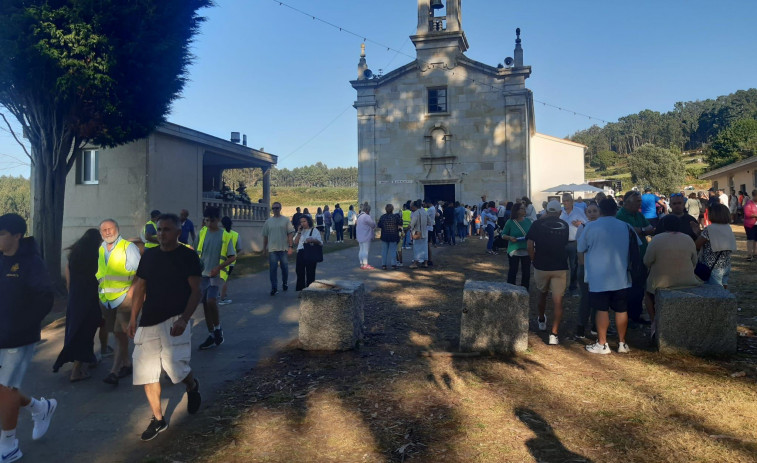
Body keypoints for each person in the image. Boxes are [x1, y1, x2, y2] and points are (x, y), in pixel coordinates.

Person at [127, 213, 203, 441]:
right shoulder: (149, 256)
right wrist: (133, 318)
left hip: (175, 319)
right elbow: (140, 287)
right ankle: (158, 419)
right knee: (146, 371)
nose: (161, 234)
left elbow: (196, 292)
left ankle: (192, 385)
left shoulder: (187, 257)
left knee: (177, 371)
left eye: (167, 230)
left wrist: (184, 319)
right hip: (149, 320)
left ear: (178, 233)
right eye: (159, 229)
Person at [0, 214, 57, 461]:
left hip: (18, 337)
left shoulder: (31, 262)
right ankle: (40, 407)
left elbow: (45, 298)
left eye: (1, 233)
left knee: (6, 389)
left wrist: (20, 326)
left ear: (17, 236)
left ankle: (9, 444)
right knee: (3, 389)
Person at [579, 199, 637, 354]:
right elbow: (636, 246)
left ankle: (602, 343)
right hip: (621, 275)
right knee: (621, 309)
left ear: (600, 211)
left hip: (598, 276)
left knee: (601, 309)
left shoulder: (590, 227)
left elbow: (581, 247)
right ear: (616, 210)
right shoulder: (626, 226)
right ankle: (622, 343)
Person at [53, 228, 102, 382]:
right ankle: (77, 371)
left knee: (75, 329)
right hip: (89, 298)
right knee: (86, 331)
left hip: (75, 297)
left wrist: (70, 289)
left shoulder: (74, 254)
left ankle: (88, 360)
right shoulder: (94, 256)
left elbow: (68, 275)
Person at [97, 218, 141, 385]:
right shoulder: (102, 248)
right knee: (118, 334)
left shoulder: (128, 248)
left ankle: (114, 371)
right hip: (107, 299)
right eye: (104, 230)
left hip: (124, 299)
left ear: (118, 229)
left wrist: (131, 293)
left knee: (122, 332)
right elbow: (102, 273)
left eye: (110, 228)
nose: (107, 232)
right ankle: (127, 363)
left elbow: (140, 273)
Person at [644, 215, 700, 337]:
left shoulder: (656, 239)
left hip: (660, 282)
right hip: (687, 280)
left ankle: (654, 321)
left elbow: (647, 261)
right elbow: (694, 261)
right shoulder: (688, 239)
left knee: (647, 293)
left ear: (663, 226)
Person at [526, 200, 569, 345]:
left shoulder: (537, 224)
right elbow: (563, 243)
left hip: (542, 265)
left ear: (546, 211)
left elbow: (530, 244)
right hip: (560, 265)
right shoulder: (565, 225)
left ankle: (541, 319)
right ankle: (554, 334)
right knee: (558, 301)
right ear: (559, 212)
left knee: (542, 293)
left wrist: (533, 259)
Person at [195, 206, 236, 350]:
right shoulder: (202, 233)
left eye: (211, 220)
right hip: (203, 274)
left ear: (218, 220)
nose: (208, 223)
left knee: (211, 300)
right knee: (205, 304)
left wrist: (218, 268)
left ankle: (218, 328)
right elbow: (196, 252)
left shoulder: (224, 235)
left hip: (216, 275)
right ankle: (212, 334)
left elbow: (232, 257)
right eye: (206, 220)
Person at [616, 191, 654, 326]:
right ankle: (629, 316)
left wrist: (641, 230)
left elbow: (650, 228)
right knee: (630, 288)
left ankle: (636, 315)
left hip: (642, 256)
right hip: (628, 258)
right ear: (627, 202)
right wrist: (643, 231)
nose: (640, 203)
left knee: (639, 288)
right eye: (637, 201)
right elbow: (631, 231)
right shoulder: (620, 216)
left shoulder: (638, 214)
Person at [696, 204, 737, 289]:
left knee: (715, 293)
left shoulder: (710, 229)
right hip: (726, 264)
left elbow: (697, 244)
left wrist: (696, 232)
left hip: (713, 266)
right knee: (724, 288)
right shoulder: (728, 227)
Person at [575, 201, 599, 338]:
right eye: (589, 211)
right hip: (586, 265)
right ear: (586, 213)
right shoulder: (583, 227)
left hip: (599, 267)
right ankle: (581, 326)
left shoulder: (602, 227)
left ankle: (596, 325)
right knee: (586, 298)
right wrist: (583, 265)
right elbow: (579, 248)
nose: (592, 214)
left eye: (594, 211)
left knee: (598, 297)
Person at [262, 201, 295, 296]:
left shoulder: (285, 220)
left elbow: (290, 234)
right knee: (273, 269)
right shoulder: (268, 222)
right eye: (274, 208)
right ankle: (274, 287)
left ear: (280, 209)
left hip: (283, 248)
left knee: (284, 268)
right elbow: (265, 236)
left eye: (277, 208)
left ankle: (285, 283)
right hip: (272, 249)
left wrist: (290, 246)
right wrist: (264, 249)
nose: (275, 210)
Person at [559, 193, 587, 295]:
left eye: (567, 200)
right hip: (561, 242)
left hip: (574, 242)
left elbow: (586, 223)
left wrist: (580, 224)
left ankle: (573, 287)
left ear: (572, 201)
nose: (565, 202)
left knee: (574, 266)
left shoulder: (579, 211)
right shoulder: (560, 212)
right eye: (564, 200)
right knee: (561, 266)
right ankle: (560, 288)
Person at [501, 202, 532, 289]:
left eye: (524, 208)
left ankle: (525, 290)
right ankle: (510, 290)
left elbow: (532, 233)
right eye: (522, 208)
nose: (524, 210)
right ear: (517, 211)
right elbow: (503, 235)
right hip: (514, 250)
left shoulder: (528, 221)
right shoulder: (510, 222)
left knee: (526, 272)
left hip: (526, 250)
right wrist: (510, 238)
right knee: (513, 271)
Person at [294, 215, 322, 291]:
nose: (302, 223)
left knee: (310, 272)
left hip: (310, 252)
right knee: (300, 272)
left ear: (308, 221)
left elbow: (320, 243)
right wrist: (299, 232)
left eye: (304, 221)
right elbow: (295, 242)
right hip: (301, 252)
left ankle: (310, 290)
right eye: (301, 222)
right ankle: (301, 290)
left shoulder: (314, 230)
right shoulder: (300, 232)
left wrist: (313, 240)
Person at [218, 217, 239, 305]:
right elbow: (239, 247)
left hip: (219, 260)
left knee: (217, 279)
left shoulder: (219, 233)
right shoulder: (235, 234)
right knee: (225, 280)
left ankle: (220, 294)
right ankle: (223, 298)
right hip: (230, 261)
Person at [377, 204, 402, 270]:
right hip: (393, 235)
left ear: (385, 209)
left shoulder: (382, 217)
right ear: (392, 209)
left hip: (384, 236)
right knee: (393, 251)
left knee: (384, 251)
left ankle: (383, 265)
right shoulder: (395, 217)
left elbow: (379, 225)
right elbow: (400, 223)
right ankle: (393, 264)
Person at [409, 199, 429, 268]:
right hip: (425, 232)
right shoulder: (425, 212)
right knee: (424, 248)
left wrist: (409, 227)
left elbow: (412, 224)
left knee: (416, 248)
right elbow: (430, 222)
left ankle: (415, 263)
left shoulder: (415, 213)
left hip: (417, 232)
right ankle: (425, 262)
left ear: (415, 206)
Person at [356, 203, 376, 269]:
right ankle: (365, 264)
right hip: (366, 235)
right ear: (368, 210)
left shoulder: (359, 216)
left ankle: (362, 263)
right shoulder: (366, 217)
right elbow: (373, 225)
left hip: (359, 235)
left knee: (361, 249)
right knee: (365, 250)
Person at [744, 190, 757, 262]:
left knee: (756, 239)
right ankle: (749, 255)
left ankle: (755, 253)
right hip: (750, 224)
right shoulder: (749, 203)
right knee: (750, 239)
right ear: (754, 196)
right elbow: (747, 214)